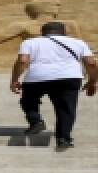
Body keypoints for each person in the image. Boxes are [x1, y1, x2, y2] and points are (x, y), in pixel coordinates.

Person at [11, 21, 97, 151]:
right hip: (69, 77)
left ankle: (36, 122)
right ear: (64, 32)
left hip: (37, 77)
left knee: (28, 99)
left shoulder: (30, 42)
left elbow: (22, 61)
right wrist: (92, 81)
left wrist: (14, 79)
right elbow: (91, 64)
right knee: (66, 108)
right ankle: (63, 139)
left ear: (42, 32)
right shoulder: (78, 42)